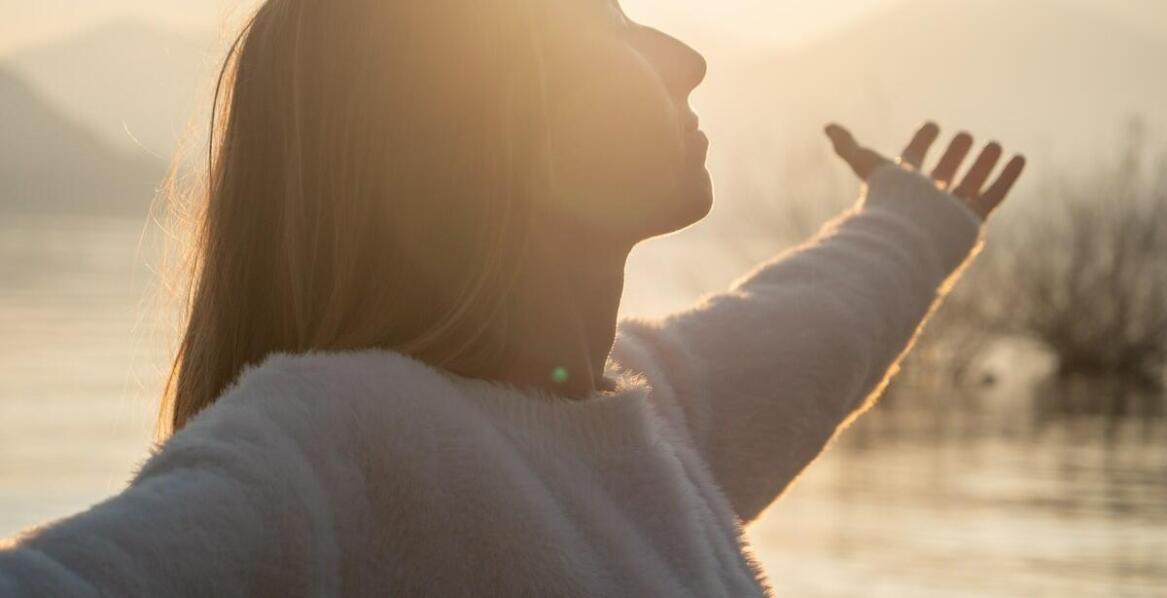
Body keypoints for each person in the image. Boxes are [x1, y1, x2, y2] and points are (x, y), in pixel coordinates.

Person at [0, 0, 1025, 596]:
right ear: (481, 119)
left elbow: (802, 334)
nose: (688, 54)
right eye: (609, 19)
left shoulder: (645, 419)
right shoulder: (349, 439)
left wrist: (908, 226)